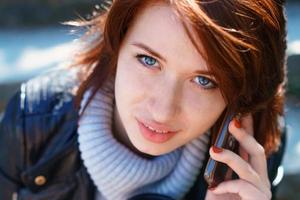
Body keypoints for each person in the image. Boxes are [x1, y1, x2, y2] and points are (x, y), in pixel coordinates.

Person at [0, 0, 287, 199]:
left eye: (204, 81)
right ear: (117, 42)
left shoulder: (250, 157)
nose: (163, 112)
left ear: (241, 94)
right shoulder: (33, 122)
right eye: (148, 60)